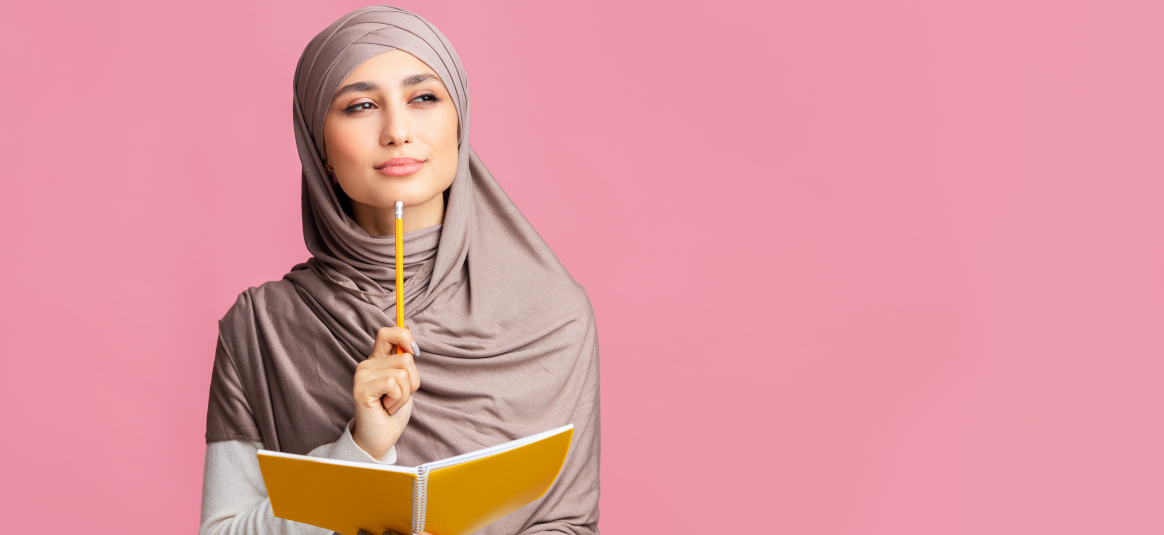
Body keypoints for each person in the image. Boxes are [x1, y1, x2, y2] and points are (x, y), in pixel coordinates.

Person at [199, 5, 601, 534]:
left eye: (424, 98)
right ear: (319, 147)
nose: (397, 131)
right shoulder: (260, 329)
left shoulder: (554, 315)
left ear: (459, 122)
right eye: (361, 106)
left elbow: (570, 523)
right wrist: (358, 451)